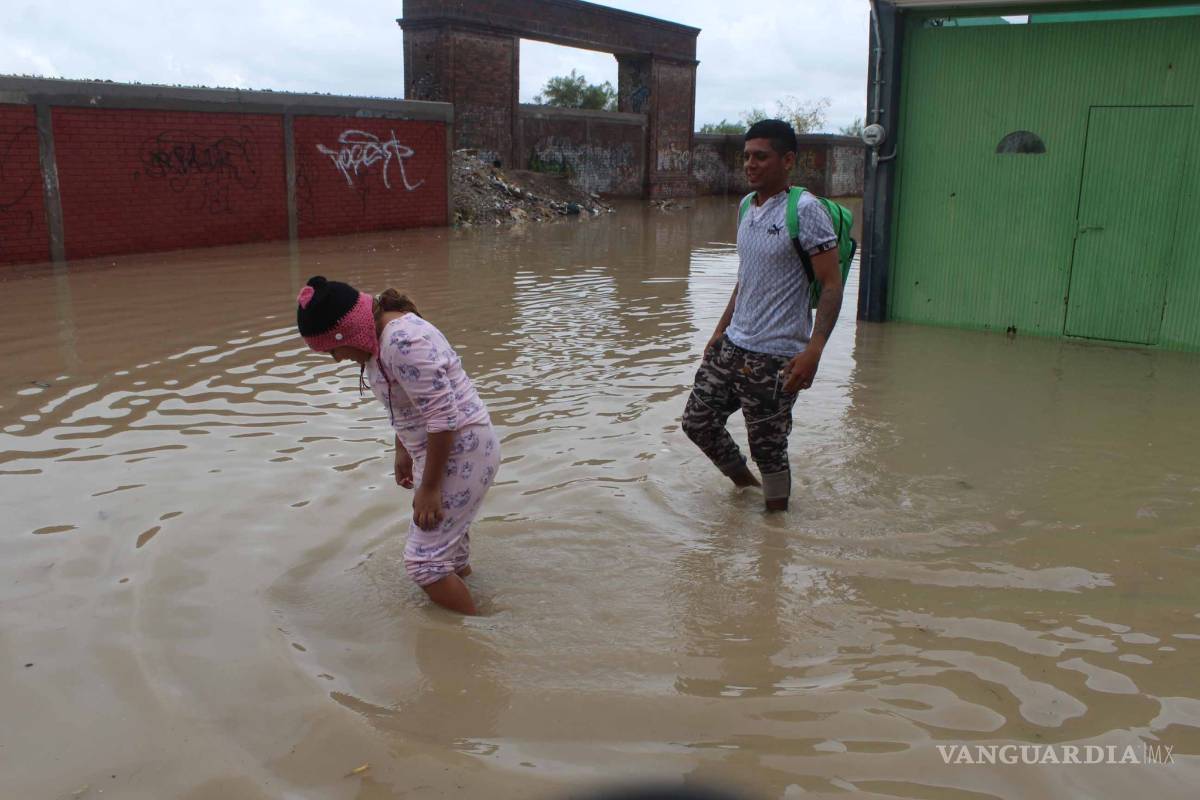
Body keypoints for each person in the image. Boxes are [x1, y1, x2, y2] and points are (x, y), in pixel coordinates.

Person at [295, 276, 500, 614]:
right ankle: (470, 604)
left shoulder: (402, 342)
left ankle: (479, 637)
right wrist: (403, 450)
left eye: (332, 349)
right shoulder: (381, 338)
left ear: (347, 333)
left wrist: (431, 487)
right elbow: (410, 402)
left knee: (424, 564)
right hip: (451, 450)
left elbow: (443, 415)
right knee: (447, 555)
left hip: (462, 450)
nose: (335, 359)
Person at [681, 119, 844, 512]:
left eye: (761, 157)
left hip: (776, 357)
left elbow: (832, 284)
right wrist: (719, 331)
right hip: (733, 345)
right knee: (697, 423)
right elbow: (746, 278)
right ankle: (746, 489)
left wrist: (814, 351)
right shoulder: (745, 207)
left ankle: (775, 536)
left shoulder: (805, 211)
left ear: (788, 160)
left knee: (769, 451)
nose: (750, 164)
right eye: (746, 157)